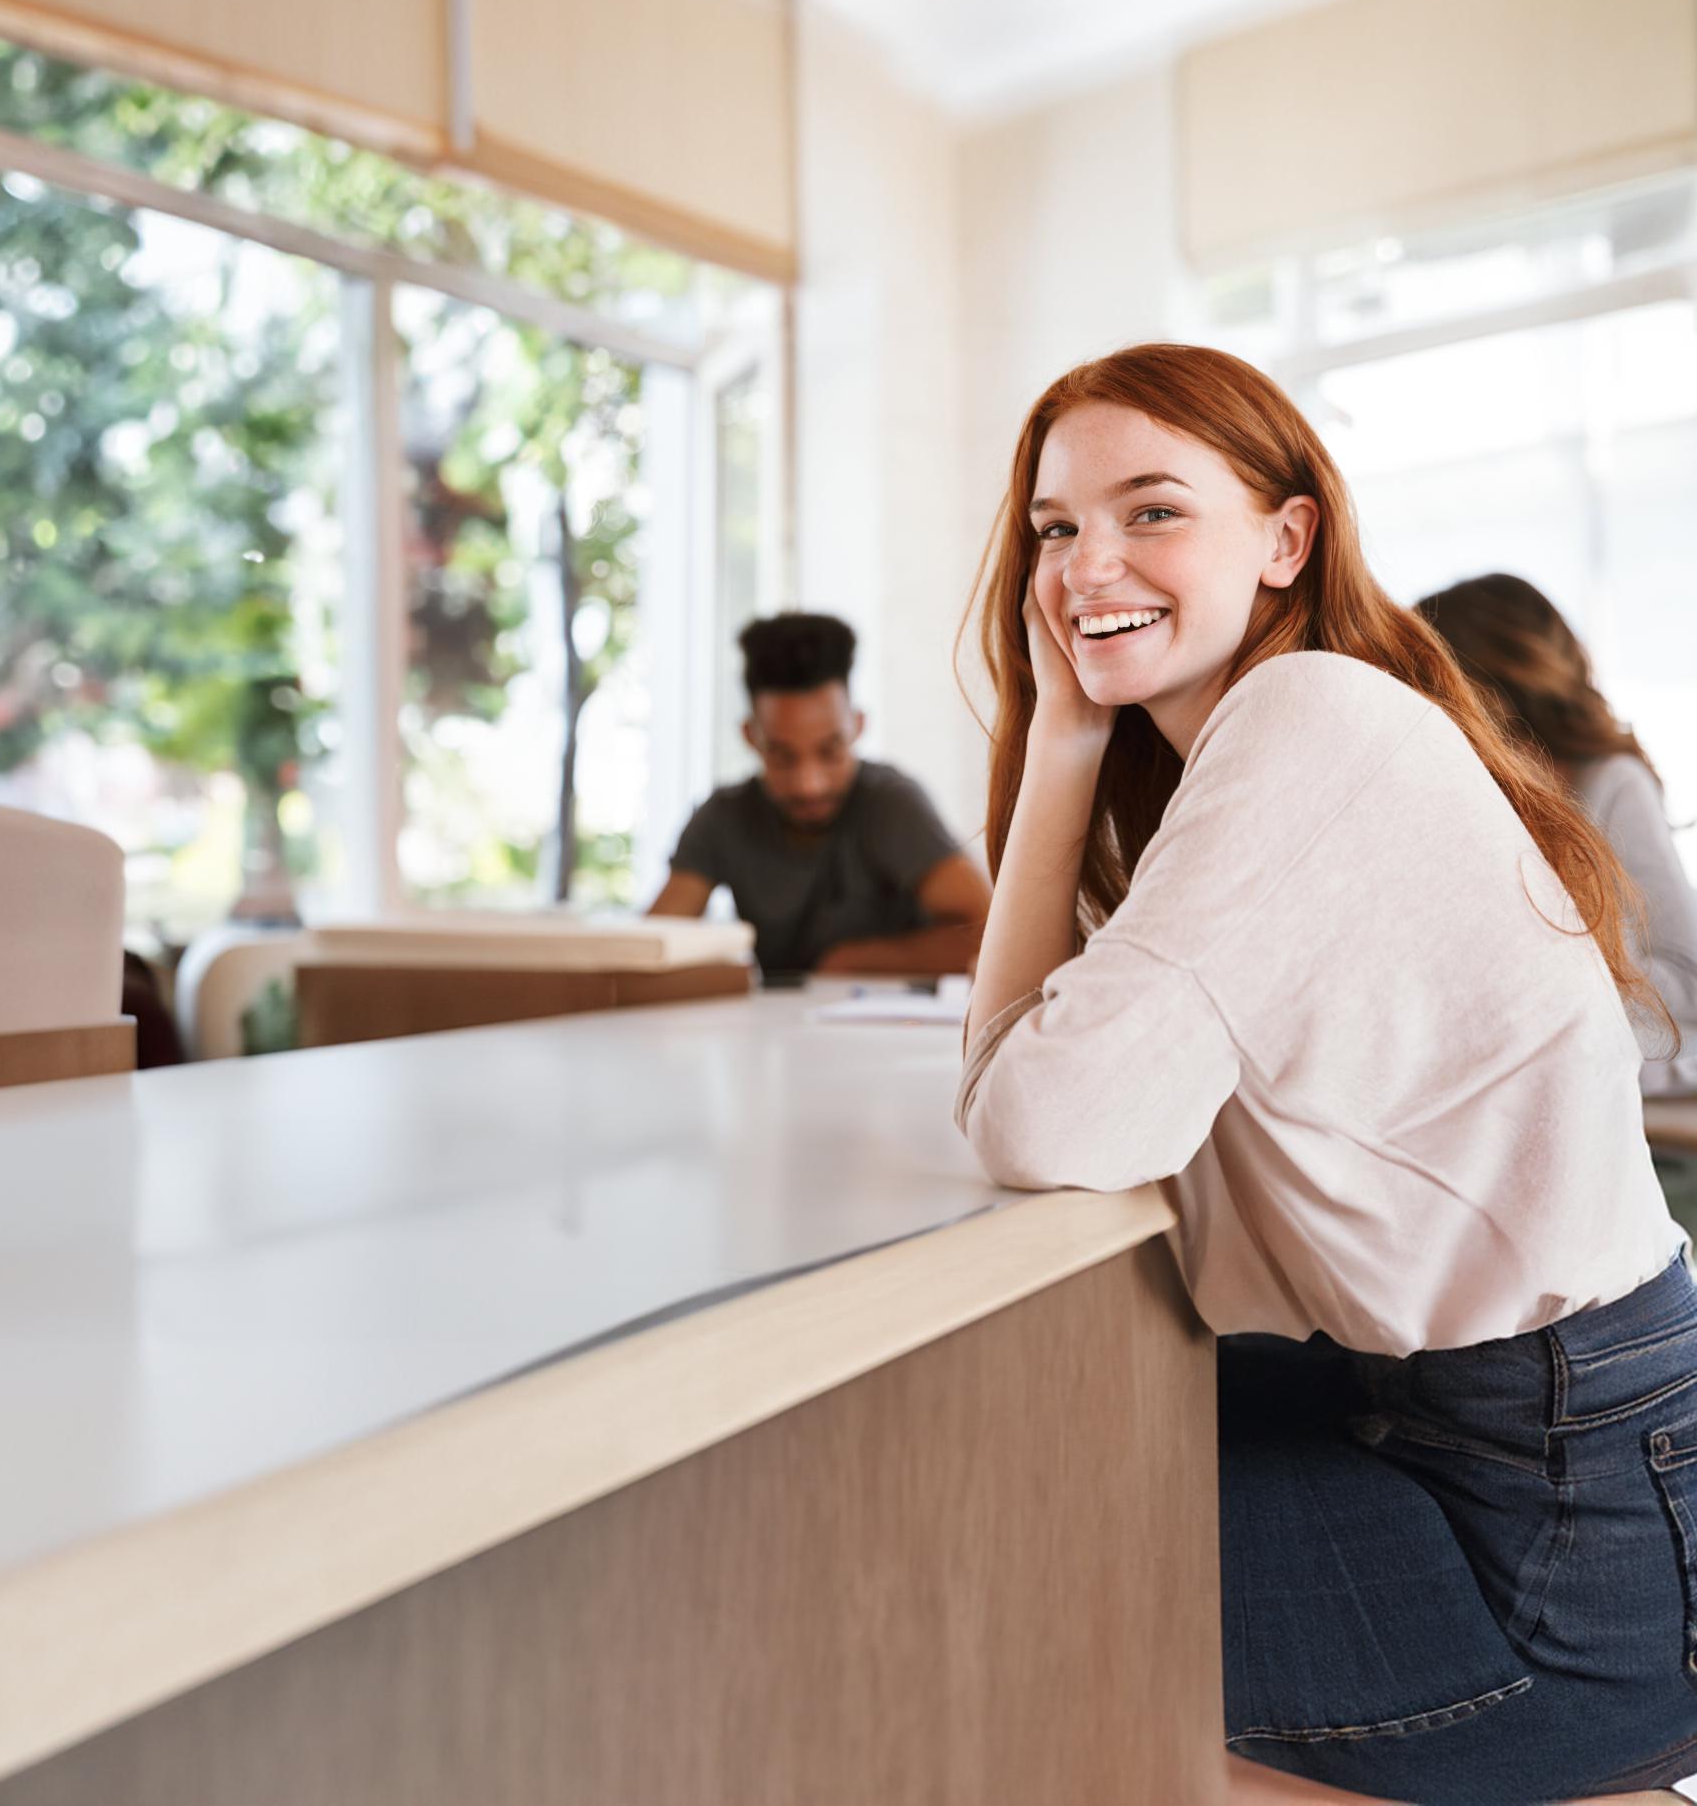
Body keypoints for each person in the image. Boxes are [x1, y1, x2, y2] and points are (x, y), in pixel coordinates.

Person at [957, 342, 1693, 1805]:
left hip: (1559, 1534)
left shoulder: (1310, 722)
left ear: (1287, 538)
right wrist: (1062, 736)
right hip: (1487, 1429)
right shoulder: (1253, 744)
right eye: (1055, 525)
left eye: (1151, 510)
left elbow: (1031, 1112)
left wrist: (1060, 744)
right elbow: (1032, 1081)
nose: (1085, 560)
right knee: (1009, 1472)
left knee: (983, 1555)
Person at [1415, 571, 1697, 1097]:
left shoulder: (1611, 782)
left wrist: (1570, 981)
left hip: (1634, 1084)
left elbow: (1689, 976)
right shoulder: (1469, 796)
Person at [646, 612, 990, 980]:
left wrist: (847, 963)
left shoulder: (891, 805)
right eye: (782, 756)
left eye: (830, 752)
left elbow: (988, 934)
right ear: (751, 736)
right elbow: (648, 949)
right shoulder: (723, 818)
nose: (810, 784)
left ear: (857, 726)